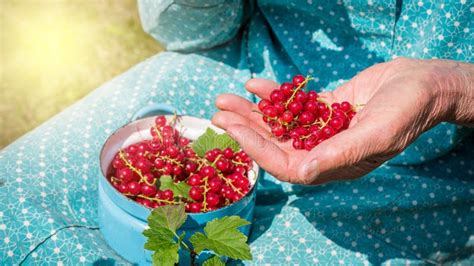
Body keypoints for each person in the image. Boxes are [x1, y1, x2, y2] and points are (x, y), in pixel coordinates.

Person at [0, 0, 472, 264]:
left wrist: (450, 88)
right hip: (243, 73)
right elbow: (191, 29)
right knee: (15, 197)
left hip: (439, 172)